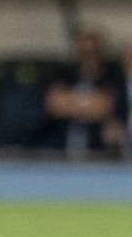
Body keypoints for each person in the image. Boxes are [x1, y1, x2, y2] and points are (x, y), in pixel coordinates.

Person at [45, 26, 125, 154]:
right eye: (85, 52)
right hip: (60, 146)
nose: (89, 57)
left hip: (97, 146)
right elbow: (55, 105)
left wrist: (71, 103)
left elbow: (104, 108)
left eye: (93, 52)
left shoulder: (112, 75)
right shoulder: (64, 73)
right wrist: (89, 105)